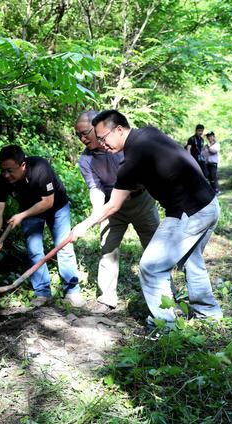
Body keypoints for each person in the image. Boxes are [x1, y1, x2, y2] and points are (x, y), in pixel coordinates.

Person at [72, 110, 223, 330]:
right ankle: (209, 314)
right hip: (209, 204)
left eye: (103, 138)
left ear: (120, 129)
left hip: (188, 212)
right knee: (192, 261)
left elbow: (113, 204)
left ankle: (164, 326)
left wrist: (83, 226)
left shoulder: (132, 160)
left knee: (151, 267)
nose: (102, 144)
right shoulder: (149, 134)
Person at [75, 110, 160, 314]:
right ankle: (106, 299)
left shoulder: (124, 146)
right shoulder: (85, 161)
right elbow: (95, 190)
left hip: (141, 202)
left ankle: (165, 297)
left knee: (155, 249)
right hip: (110, 208)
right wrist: (97, 216)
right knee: (107, 249)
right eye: (78, 135)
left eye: (86, 133)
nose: (83, 138)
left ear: (98, 129)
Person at [0, 145, 83, 307]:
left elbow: (48, 202)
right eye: (2, 170)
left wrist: (21, 215)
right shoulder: (2, 180)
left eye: (10, 170)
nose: (6, 175)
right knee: (34, 250)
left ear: (23, 165)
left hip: (56, 207)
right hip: (29, 211)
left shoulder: (40, 168)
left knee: (63, 247)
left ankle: (72, 291)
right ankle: (42, 293)